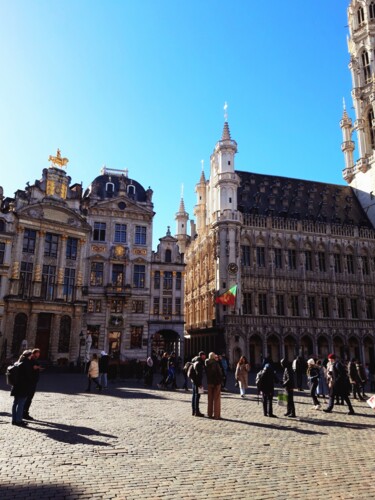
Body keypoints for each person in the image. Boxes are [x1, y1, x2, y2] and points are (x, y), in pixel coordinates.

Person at [11, 350, 33, 426]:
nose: (31, 357)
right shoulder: (26, 363)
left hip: (16, 386)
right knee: (21, 404)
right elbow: (29, 376)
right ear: (29, 356)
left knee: (15, 403)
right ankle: (19, 421)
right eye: (31, 356)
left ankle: (14, 420)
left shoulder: (17, 362)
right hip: (23, 387)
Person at [23, 348, 43, 420]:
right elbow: (31, 369)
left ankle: (24, 412)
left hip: (32, 381)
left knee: (28, 398)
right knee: (28, 398)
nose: (39, 354)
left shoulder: (32, 360)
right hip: (30, 382)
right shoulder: (31, 361)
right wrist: (36, 367)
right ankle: (24, 413)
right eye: (37, 353)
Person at [205, 352, 223, 419]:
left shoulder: (206, 363)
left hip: (209, 382)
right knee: (217, 399)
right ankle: (216, 415)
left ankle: (209, 414)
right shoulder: (215, 364)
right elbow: (219, 373)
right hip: (216, 383)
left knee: (210, 399)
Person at [190, 351, 206, 417]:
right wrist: (200, 384)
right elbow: (199, 375)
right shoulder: (199, 363)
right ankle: (197, 411)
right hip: (197, 382)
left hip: (193, 381)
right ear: (202, 355)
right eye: (204, 355)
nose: (205, 357)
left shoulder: (194, 361)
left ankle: (193, 411)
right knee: (197, 396)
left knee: (194, 396)